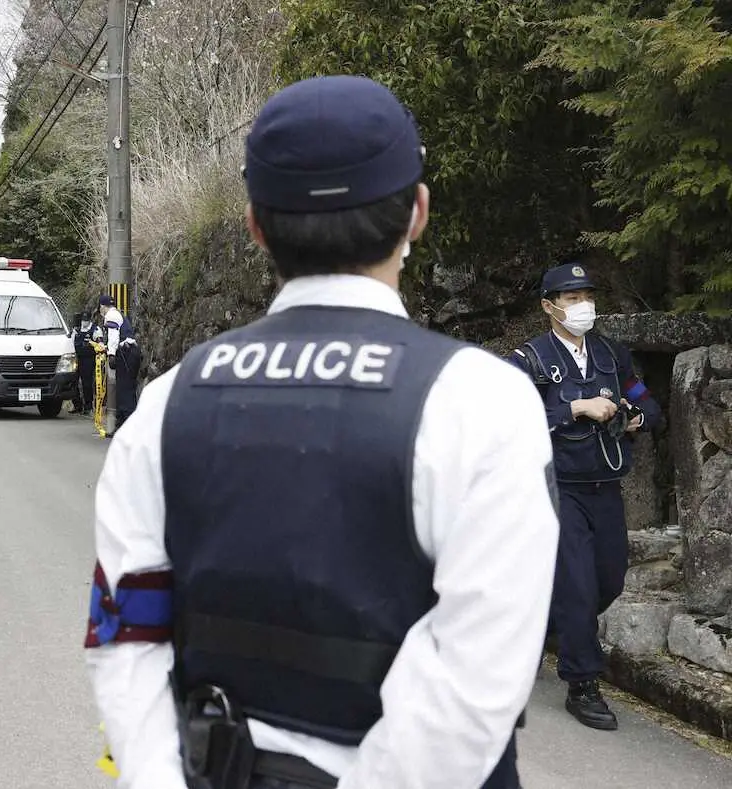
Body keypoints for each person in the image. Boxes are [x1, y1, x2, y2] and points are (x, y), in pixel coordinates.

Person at [83, 75, 560, 789]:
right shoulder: (484, 403)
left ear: (254, 225)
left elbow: (126, 633)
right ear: (418, 213)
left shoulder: (166, 403)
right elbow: (475, 683)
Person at [508, 263, 662, 731]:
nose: (583, 306)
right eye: (572, 298)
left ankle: (535, 626)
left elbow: (649, 404)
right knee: (576, 583)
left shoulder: (612, 355)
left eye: (587, 296)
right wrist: (574, 407)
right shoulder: (528, 359)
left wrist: (635, 418)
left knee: (609, 580)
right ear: (548, 306)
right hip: (555, 489)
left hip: (605, 485)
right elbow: (506, 414)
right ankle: (583, 682)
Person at [97, 295, 141, 433]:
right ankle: (121, 425)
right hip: (130, 353)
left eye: (100, 308)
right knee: (125, 389)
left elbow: (114, 336)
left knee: (125, 390)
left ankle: (129, 428)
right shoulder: (118, 314)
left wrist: (111, 354)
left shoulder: (111, 315)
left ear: (102, 306)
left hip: (125, 354)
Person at [72, 311, 102, 415]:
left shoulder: (95, 329)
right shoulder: (76, 330)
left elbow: (99, 344)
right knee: (73, 381)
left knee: (87, 383)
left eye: (86, 320)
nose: (84, 322)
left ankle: (88, 407)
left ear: (90, 320)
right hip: (77, 358)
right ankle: (77, 405)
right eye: (83, 320)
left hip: (88, 359)